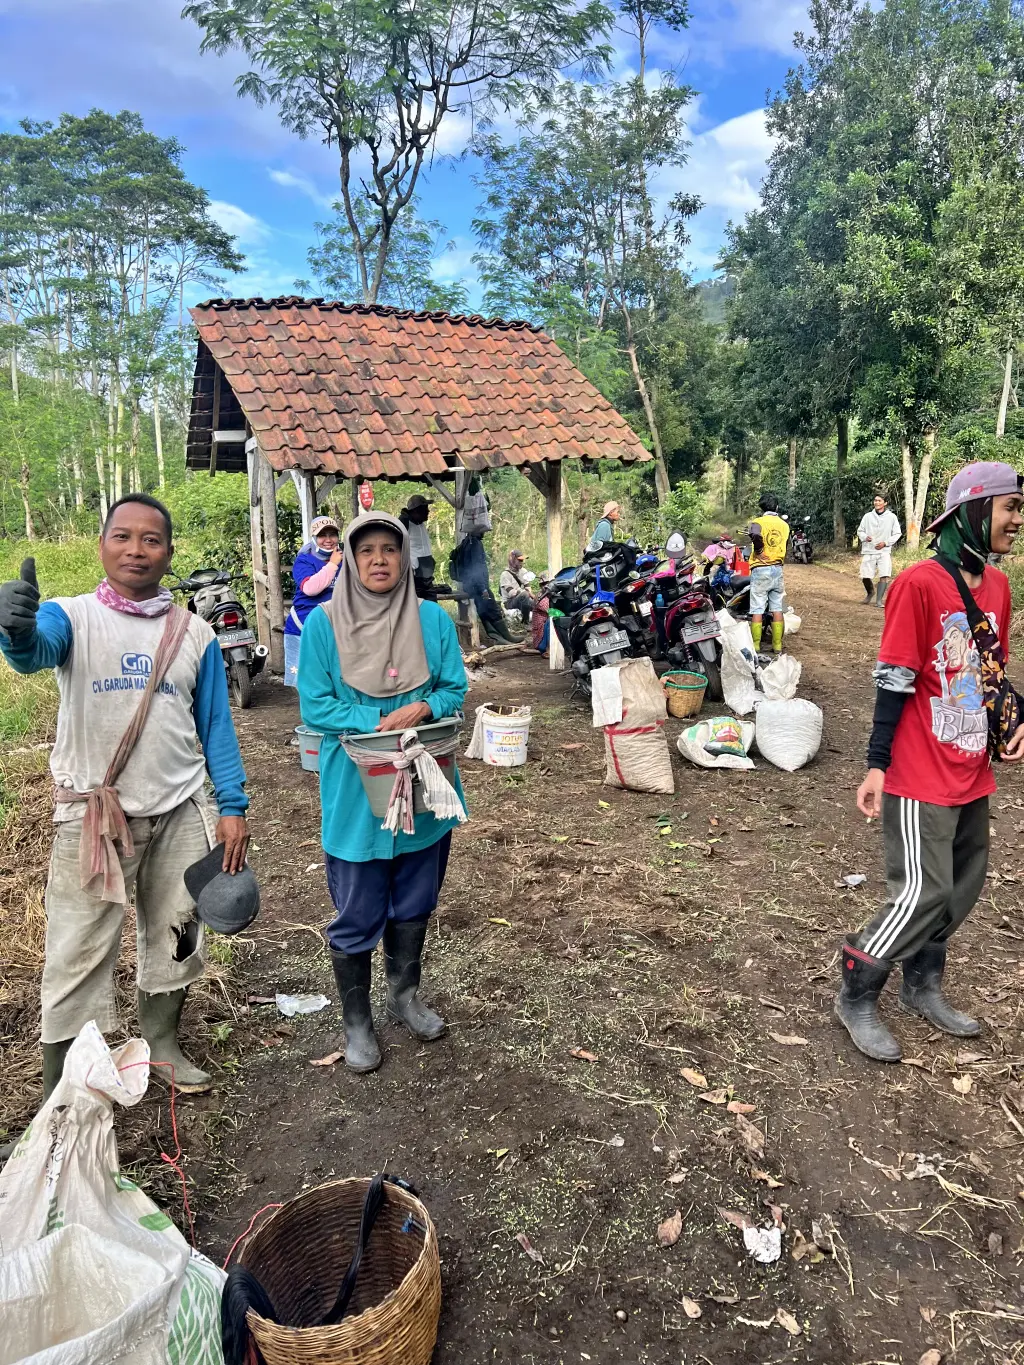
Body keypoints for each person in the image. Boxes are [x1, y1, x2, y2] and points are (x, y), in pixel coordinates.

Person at [0, 493, 249, 1104]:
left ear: (169, 553)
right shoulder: (71, 617)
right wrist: (15, 627)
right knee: (77, 952)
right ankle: (65, 1086)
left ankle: (161, 1046)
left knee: (178, 933)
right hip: (92, 815)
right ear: (102, 544)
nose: (136, 549)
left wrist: (232, 807)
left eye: (151, 540)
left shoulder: (193, 632)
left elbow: (214, 725)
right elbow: (36, 652)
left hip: (182, 809)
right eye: (122, 536)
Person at [835, 462, 1024, 1063]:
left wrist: (1008, 729)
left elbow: (986, 675)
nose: (1018, 520)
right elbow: (894, 679)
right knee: (923, 889)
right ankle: (857, 990)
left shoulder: (997, 590)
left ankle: (923, 984)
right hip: (920, 771)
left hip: (972, 766)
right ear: (974, 510)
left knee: (961, 890)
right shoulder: (918, 583)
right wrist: (875, 764)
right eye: (1010, 507)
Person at [297, 512, 468, 1073]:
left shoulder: (432, 620)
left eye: (388, 550)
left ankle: (404, 996)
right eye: (365, 550)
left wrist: (423, 706)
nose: (377, 560)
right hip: (356, 786)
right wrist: (380, 718)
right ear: (347, 558)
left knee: (416, 893)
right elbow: (317, 706)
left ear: (404, 558)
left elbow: (454, 688)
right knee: (358, 905)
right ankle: (357, 1022)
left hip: (426, 777)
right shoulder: (324, 625)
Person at [284, 514, 343, 687]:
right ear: (314, 538)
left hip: (335, 625)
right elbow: (310, 588)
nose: (328, 539)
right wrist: (332, 565)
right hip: (303, 625)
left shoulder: (346, 559)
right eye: (322, 535)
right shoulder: (304, 560)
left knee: (334, 676)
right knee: (303, 679)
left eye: (332, 534)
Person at [747, 492, 790, 653]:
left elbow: (755, 534)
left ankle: (756, 646)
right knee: (776, 608)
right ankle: (777, 645)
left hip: (760, 568)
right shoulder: (784, 525)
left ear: (762, 507)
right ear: (776, 507)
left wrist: (758, 550)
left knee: (757, 608)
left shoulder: (757, 522)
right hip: (777, 569)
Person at [857, 493, 902, 607]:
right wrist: (865, 537)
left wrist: (885, 543)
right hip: (869, 549)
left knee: (884, 574)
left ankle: (879, 601)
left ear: (885, 503)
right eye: (875, 500)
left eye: (879, 501)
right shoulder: (867, 516)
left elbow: (897, 533)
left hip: (884, 551)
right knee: (865, 575)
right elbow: (860, 531)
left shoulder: (891, 517)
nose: (876, 502)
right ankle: (870, 592)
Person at [400, 493, 436, 598]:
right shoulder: (404, 523)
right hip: (414, 576)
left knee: (431, 606)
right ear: (416, 510)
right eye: (425, 508)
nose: (428, 511)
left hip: (426, 575)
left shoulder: (421, 523)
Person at [499, 550, 536, 622]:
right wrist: (525, 592)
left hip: (523, 598)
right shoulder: (505, 574)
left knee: (539, 603)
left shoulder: (523, 571)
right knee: (525, 595)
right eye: (520, 560)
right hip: (509, 602)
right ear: (512, 559)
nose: (522, 562)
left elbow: (528, 587)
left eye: (523, 560)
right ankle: (525, 621)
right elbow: (512, 593)